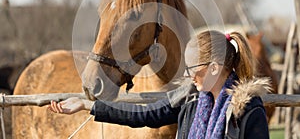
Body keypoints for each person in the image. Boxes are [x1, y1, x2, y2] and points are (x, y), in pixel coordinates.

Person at [48, 30, 271, 139]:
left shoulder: (250, 110)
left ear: (213, 68)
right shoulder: (189, 99)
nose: (189, 75)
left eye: (193, 69)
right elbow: (142, 115)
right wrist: (87, 105)